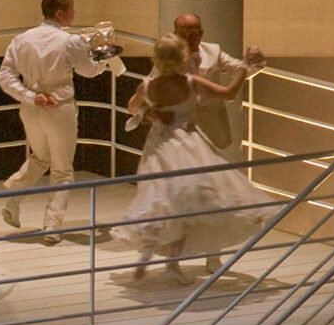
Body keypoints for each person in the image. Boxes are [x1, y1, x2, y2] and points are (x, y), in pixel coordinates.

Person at [113, 35, 268, 284]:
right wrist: (243, 67)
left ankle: (147, 254)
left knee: (158, 198)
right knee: (184, 203)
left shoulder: (147, 86)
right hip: (187, 144)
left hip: (158, 146)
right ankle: (173, 264)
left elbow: (133, 107)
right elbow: (228, 93)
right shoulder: (190, 82)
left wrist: (149, 111)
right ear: (182, 57)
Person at [0, 0, 127, 243]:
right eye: (72, 9)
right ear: (61, 13)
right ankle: (52, 227)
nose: (74, 14)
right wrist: (103, 57)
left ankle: (12, 200)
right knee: (62, 171)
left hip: (31, 107)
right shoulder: (70, 41)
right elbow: (88, 71)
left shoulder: (22, 39)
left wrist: (31, 96)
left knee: (40, 158)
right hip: (59, 108)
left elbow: (5, 76)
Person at [169, 12, 260, 153]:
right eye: (182, 35)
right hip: (179, 127)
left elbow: (239, 71)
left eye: (193, 35)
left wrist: (253, 64)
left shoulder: (213, 51)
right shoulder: (167, 58)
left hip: (213, 125)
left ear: (201, 34)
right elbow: (150, 88)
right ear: (175, 34)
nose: (188, 39)